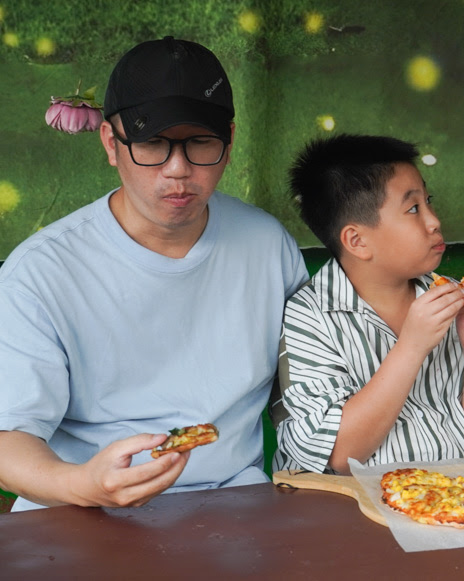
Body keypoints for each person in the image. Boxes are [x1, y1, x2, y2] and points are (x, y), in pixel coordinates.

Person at [0, 37, 308, 510]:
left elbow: (309, 395)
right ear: (111, 142)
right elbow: (8, 437)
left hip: (233, 505)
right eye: (152, 143)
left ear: (228, 142)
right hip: (78, 510)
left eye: (200, 142)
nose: (178, 170)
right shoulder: (41, 272)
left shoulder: (267, 245)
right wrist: (83, 485)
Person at [272, 133, 464, 475]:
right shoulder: (309, 316)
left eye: (428, 202)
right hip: (351, 502)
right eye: (413, 209)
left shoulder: (446, 297)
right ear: (357, 241)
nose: (434, 221)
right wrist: (412, 346)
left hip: (453, 493)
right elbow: (340, 455)